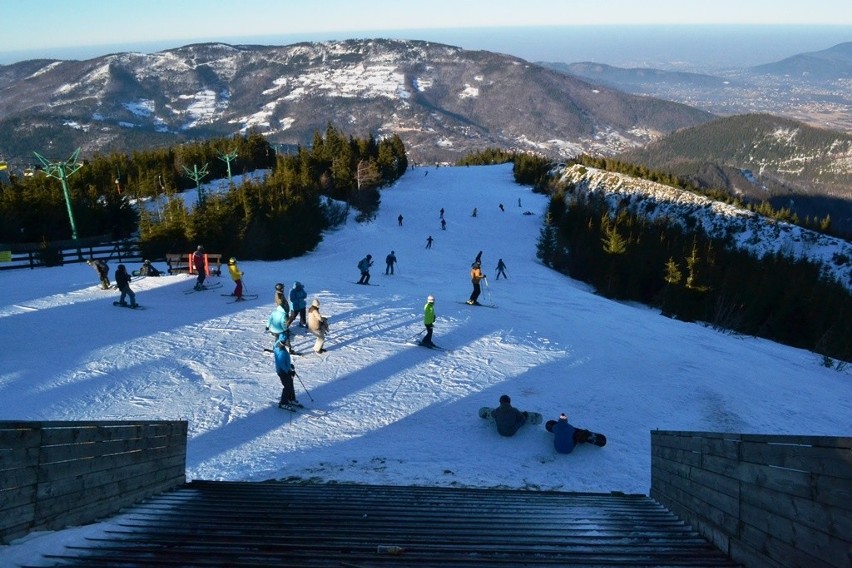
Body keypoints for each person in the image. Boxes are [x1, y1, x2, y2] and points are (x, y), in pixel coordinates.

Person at [274, 333, 300, 409]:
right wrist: (288, 371)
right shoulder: (281, 351)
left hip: (285, 369)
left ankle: (291, 399)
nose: (288, 343)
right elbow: (281, 364)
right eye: (287, 341)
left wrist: (289, 365)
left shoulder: (278, 344)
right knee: (287, 386)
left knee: (290, 384)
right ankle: (283, 402)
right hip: (283, 372)